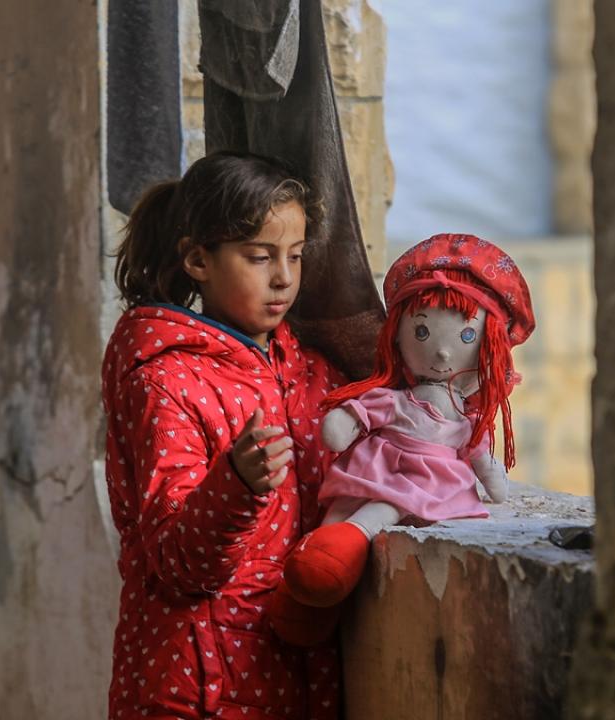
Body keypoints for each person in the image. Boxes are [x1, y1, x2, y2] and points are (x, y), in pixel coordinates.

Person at [101, 151, 347, 720]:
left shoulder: (310, 371)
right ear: (198, 259)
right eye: (259, 257)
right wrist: (236, 484)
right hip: (195, 685)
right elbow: (177, 564)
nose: (283, 277)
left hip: (290, 672)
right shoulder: (165, 382)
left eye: (296, 255)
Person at [279, 234, 536, 609]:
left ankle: (331, 564)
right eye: (421, 331)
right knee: (335, 516)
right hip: (373, 470)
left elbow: (481, 459)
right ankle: (300, 598)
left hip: (420, 487)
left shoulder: (466, 419)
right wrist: (345, 422)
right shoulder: (397, 400)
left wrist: (493, 477)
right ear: (397, 335)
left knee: (380, 513)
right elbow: (355, 419)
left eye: (467, 335)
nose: (443, 352)